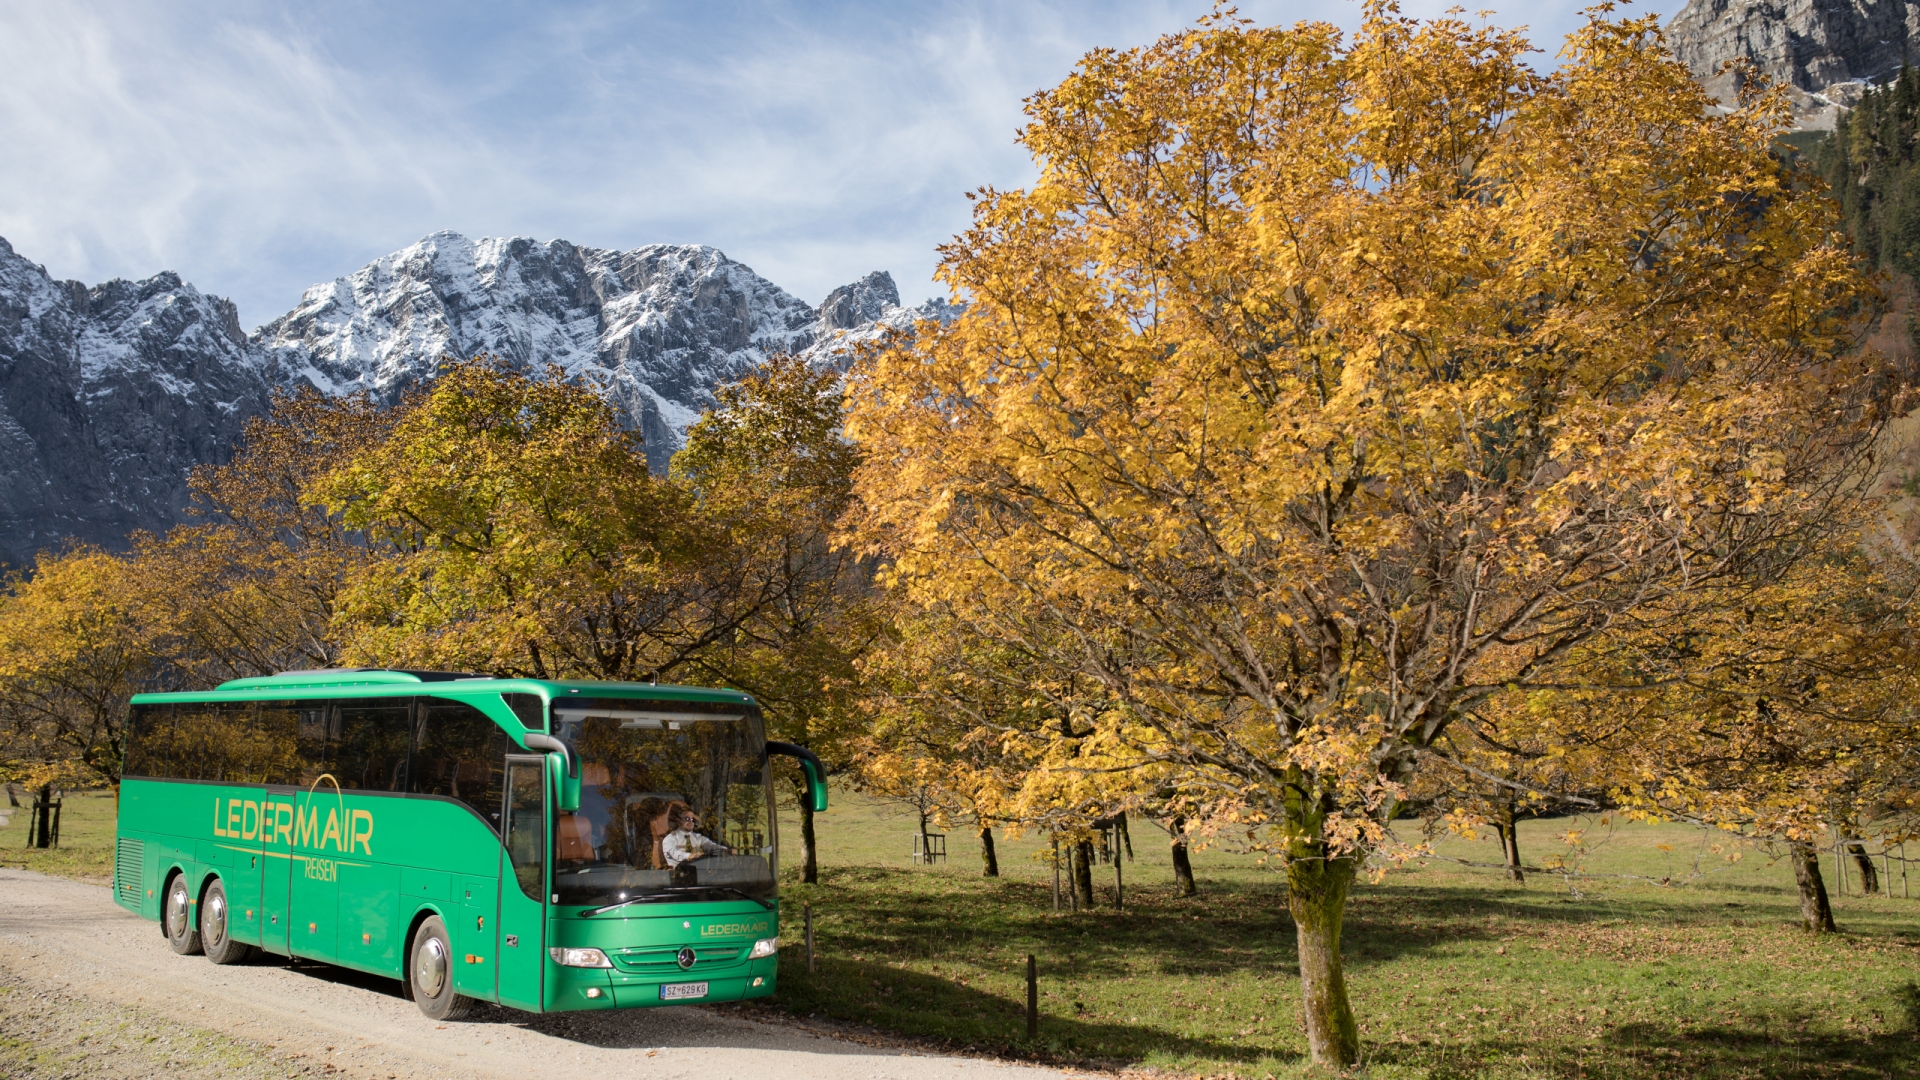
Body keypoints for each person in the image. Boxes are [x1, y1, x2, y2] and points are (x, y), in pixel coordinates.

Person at [660, 804, 729, 868]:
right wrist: (690, 856)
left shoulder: (698, 837)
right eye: (687, 819)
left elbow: (711, 846)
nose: (690, 822)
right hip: (677, 874)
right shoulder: (670, 838)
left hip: (698, 874)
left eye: (692, 819)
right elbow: (674, 853)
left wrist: (727, 850)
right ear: (678, 821)